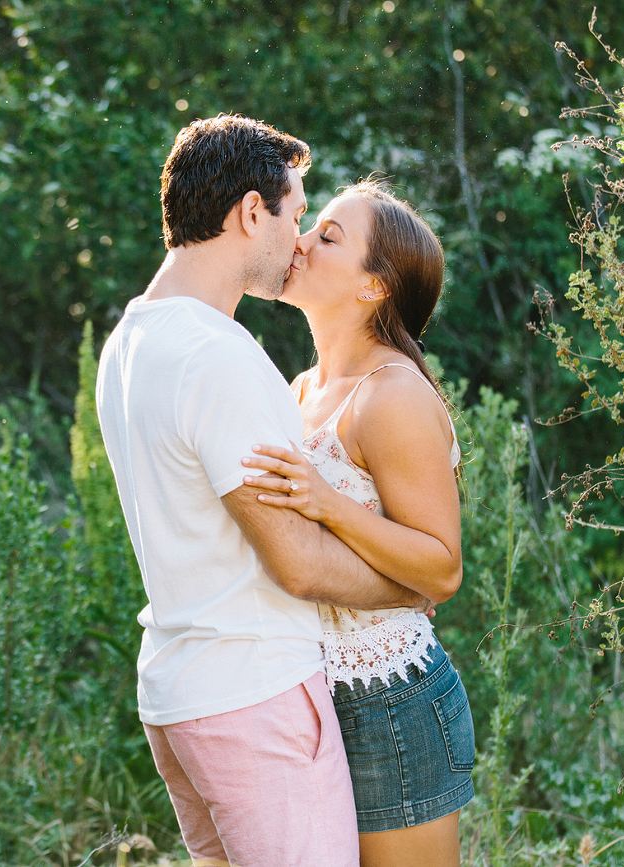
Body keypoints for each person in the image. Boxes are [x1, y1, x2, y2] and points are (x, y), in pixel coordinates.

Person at [96, 115, 429, 867]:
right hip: (252, 697)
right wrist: (405, 589)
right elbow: (300, 563)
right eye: (295, 213)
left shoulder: (129, 342)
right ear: (252, 212)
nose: (300, 238)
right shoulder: (216, 355)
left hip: (178, 697)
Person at [240, 180, 475, 867]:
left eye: (328, 236)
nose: (301, 239)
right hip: (306, 694)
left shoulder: (391, 394)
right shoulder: (302, 389)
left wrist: (325, 502)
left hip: (389, 702)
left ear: (374, 288)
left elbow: (442, 566)